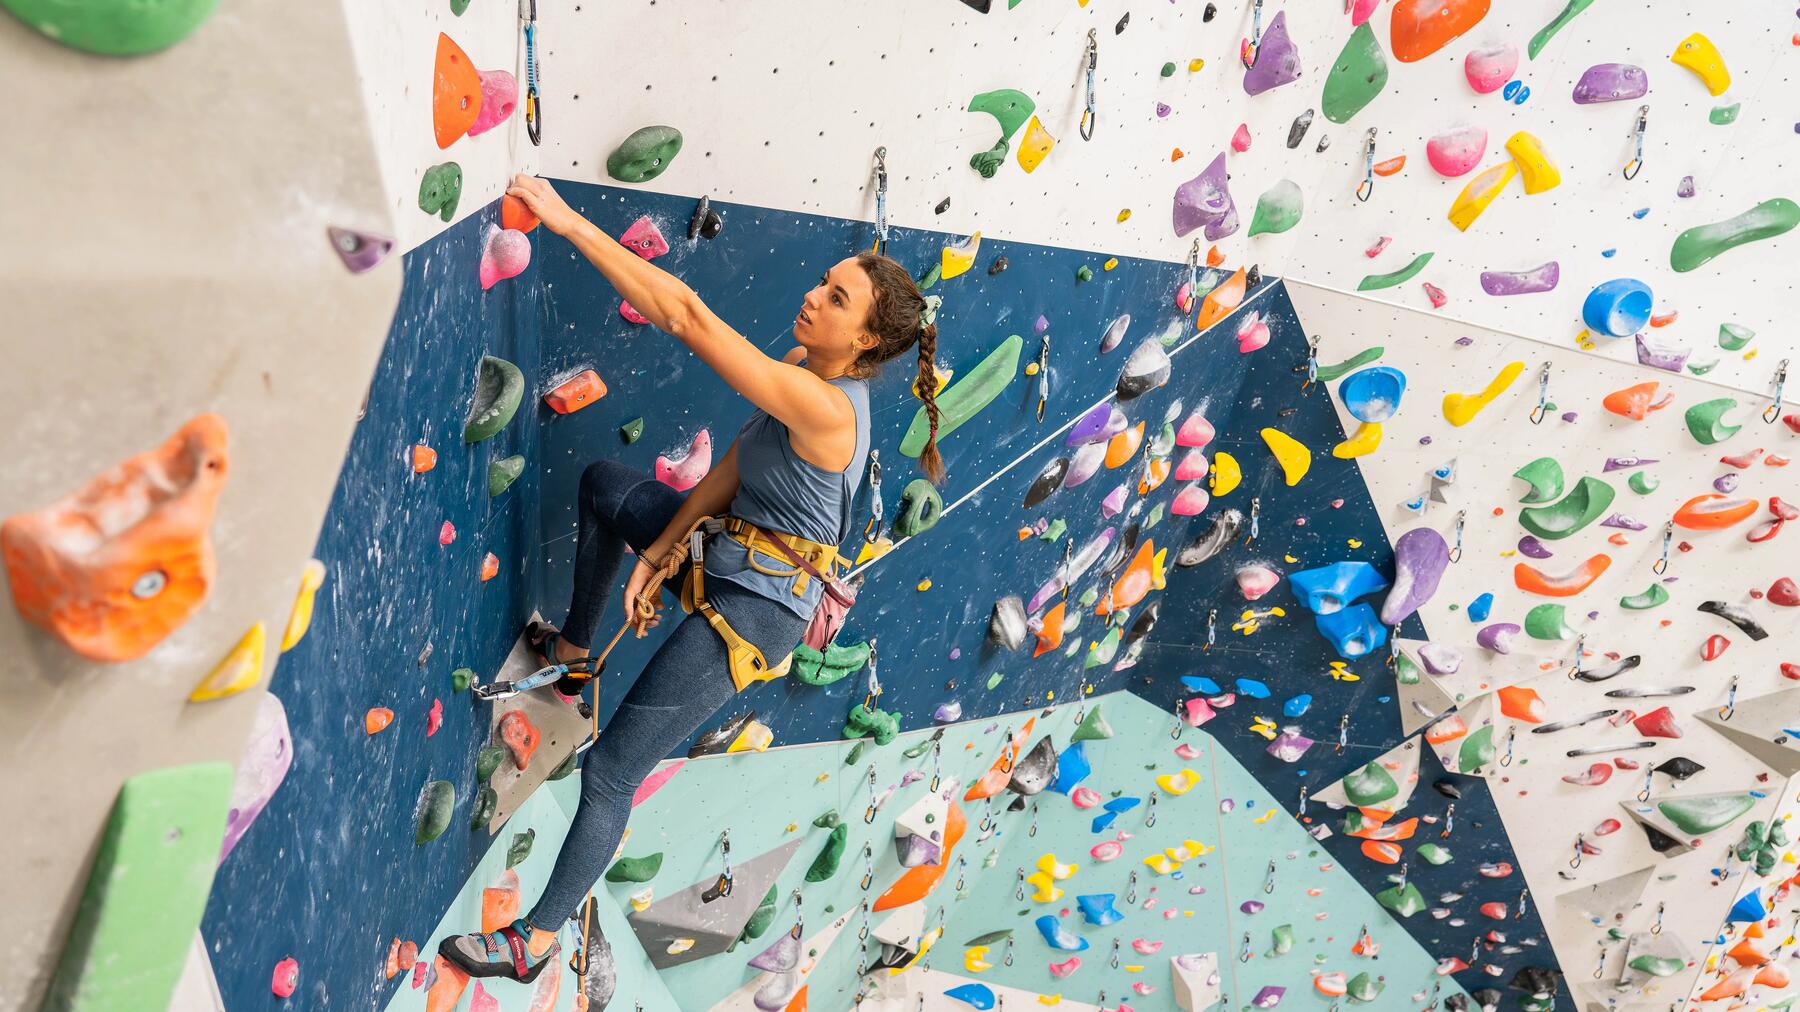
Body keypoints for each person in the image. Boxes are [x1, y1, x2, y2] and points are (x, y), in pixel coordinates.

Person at [441, 174, 944, 982]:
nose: (816, 296)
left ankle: (532, 940)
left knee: (611, 771)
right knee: (607, 487)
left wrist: (567, 220)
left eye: (838, 299)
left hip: (759, 610)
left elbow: (684, 316)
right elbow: (744, 457)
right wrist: (663, 548)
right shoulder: (800, 370)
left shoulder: (829, 408)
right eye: (825, 281)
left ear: (866, 347)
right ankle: (572, 657)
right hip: (731, 554)